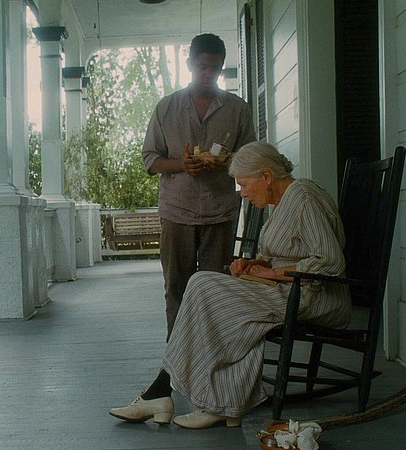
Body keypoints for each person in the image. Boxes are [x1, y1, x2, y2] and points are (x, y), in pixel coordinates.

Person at [110, 142, 352, 429]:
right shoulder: (283, 201)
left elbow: (330, 261)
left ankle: (166, 392)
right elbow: (289, 252)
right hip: (290, 290)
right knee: (211, 294)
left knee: (203, 285)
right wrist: (253, 264)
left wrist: (272, 273)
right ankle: (220, 403)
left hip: (316, 296)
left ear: (266, 176)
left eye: (245, 185)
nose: (243, 193)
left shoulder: (303, 197)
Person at [142, 33, 256, 340]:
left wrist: (228, 162)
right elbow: (150, 159)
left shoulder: (237, 109)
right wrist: (182, 164)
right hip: (177, 211)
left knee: (216, 289)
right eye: (202, 67)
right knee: (176, 288)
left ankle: (210, 353)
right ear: (190, 64)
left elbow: (250, 159)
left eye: (215, 68)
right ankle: (177, 356)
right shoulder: (166, 108)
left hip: (220, 212)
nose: (208, 74)